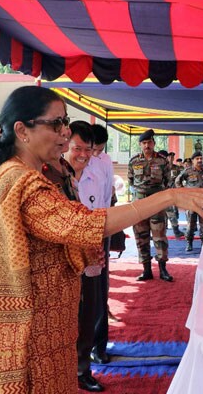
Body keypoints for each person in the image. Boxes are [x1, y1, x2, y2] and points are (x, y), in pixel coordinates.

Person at [0, 86, 203, 393]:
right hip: (34, 332)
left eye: (66, 121)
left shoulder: (30, 175)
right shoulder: (19, 181)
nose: (65, 133)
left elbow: (59, 231)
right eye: (55, 124)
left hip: (50, 326)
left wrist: (81, 252)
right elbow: (83, 223)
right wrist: (169, 196)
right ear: (22, 130)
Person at [65, 121, 109, 392]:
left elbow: (103, 214)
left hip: (90, 254)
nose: (82, 155)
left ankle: (83, 369)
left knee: (89, 311)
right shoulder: (52, 175)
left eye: (88, 150)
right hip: (61, 258)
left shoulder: (98, 175)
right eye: (77, 148)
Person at [128, 129, 174, 282]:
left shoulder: (162, 160)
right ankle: (146, 270)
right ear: (140, 144)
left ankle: (162, 269)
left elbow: (168, 182)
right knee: (141, 236)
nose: (147, 145)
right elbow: (131, 182)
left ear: (154, 143)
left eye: (149, 142)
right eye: (144, 143)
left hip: (156, 203)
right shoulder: (134, 161)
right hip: (139, 204)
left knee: (159, 236)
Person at [88, 123, 116, 362]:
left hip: (98, 231)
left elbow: (107, 196)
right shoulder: (63, 166)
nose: (91, 154)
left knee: (98, 291)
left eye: (97, 149)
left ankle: (98, 346)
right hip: (73, 234)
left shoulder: (103, 161)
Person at [175, 151, 203, 251]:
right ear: (193, 160)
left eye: (201, 158)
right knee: (191, 224)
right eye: (197, 159)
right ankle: (189, 243)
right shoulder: (188, 171)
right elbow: (177, 181)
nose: (199, 160)